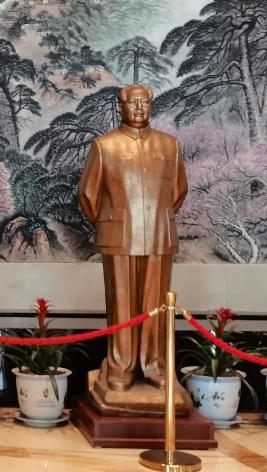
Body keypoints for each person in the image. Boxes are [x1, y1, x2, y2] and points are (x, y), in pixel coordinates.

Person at [77, 84, 188, 403]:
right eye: (132, 103)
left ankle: (154, 365)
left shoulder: (169, 145)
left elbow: (178, 191)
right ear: (121, 107)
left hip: (158, 234)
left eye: (144, 103)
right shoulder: (104, 145)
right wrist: (114, 222)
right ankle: (120, 367)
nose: (139, 108)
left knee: (156, 304)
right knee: (122, 304)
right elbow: (89, 195)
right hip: (119, 236)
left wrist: (153, 218)